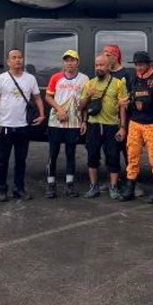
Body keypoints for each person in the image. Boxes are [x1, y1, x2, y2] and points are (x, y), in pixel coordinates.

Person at [0, 49, 45, 202]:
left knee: (21, 160)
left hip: (23, 126)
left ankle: (19, 189)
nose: (17, 60)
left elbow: (38, 98)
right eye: (14, 58)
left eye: (20, 57)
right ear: (8, 61)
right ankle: (1, 188)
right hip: (4, 126)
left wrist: (42, 114)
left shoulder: (30, 79)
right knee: (2, 160)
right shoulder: (0, 79)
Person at [80, 54, 129, 199]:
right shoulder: (90, 83)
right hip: (94, 125)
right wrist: (88, 96)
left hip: (112, 126)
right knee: (92, 156)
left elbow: (122, 107)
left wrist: (122, 127)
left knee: (113, 157)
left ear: (109, 67)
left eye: (101, 65)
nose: (98, 68)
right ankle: (93, 186)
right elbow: (81, 106)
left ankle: (113, 187)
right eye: (96, 65)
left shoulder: (119, 83)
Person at [121, 51, 153, 203]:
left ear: (148, 64)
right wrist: (128, 102)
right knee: (132, 156)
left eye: (141, 64)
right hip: (135, 123)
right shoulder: (133, 78)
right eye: (137, 64)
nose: (138, 67)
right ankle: (130, 188)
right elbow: (130, 96)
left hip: (152, 124)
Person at [44, 49, 89, 199]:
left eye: (72, 60)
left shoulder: (84, 79)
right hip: (56, 122)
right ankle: (51, 184)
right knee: (53, 154)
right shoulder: (56, 77)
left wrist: (84, 121)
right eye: (67, 60)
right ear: (63, 62)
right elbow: (48, 97)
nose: (69, 63)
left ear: (78, 62)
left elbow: (85, 102)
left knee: (71, 154)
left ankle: (70, 185)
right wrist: (59, 109)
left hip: (74, 123)